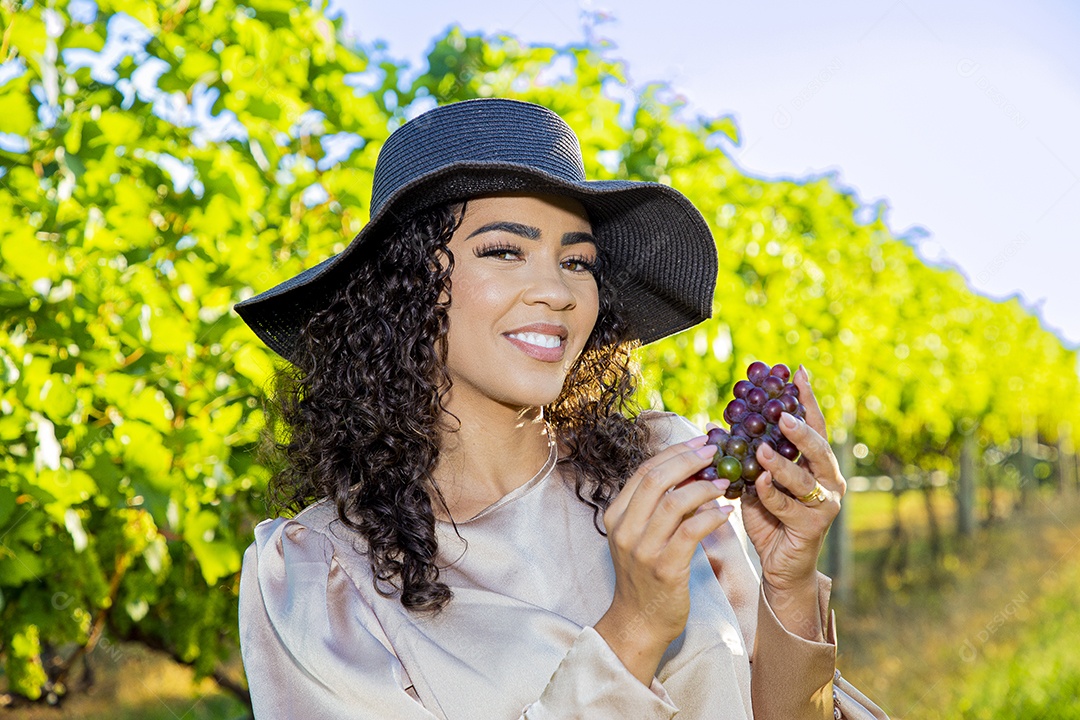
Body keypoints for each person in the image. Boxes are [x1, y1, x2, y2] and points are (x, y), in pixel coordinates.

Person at [234, 98, 888, 719]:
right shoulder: (320, 576)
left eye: (576, 262)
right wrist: (631, 631)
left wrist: (788, 585)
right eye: (504, 251)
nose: (556, 291)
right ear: (406, 287)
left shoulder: (663, 465)